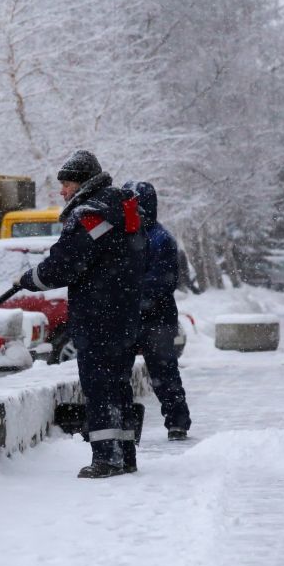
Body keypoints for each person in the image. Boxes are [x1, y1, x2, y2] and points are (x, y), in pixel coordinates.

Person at [16, 150, 146, 478]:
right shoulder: (123, 209)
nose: (62, 191)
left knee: (100, 384)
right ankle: (124, 454)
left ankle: (106, 458)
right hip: (124, 310)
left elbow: (65, 263)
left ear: (84, 183)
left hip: (99, 313)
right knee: (117, 382)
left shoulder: (91, 214)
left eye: (67, 183)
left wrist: (30, 279)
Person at [123, 181, 191, 441]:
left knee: (163, 371)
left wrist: (131, 295)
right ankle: (126, 423)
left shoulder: (161, 239)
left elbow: (163, 281)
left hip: (156, 318)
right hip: (133, 316)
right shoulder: (127, 236)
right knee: (121, 373)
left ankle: (177, 422)